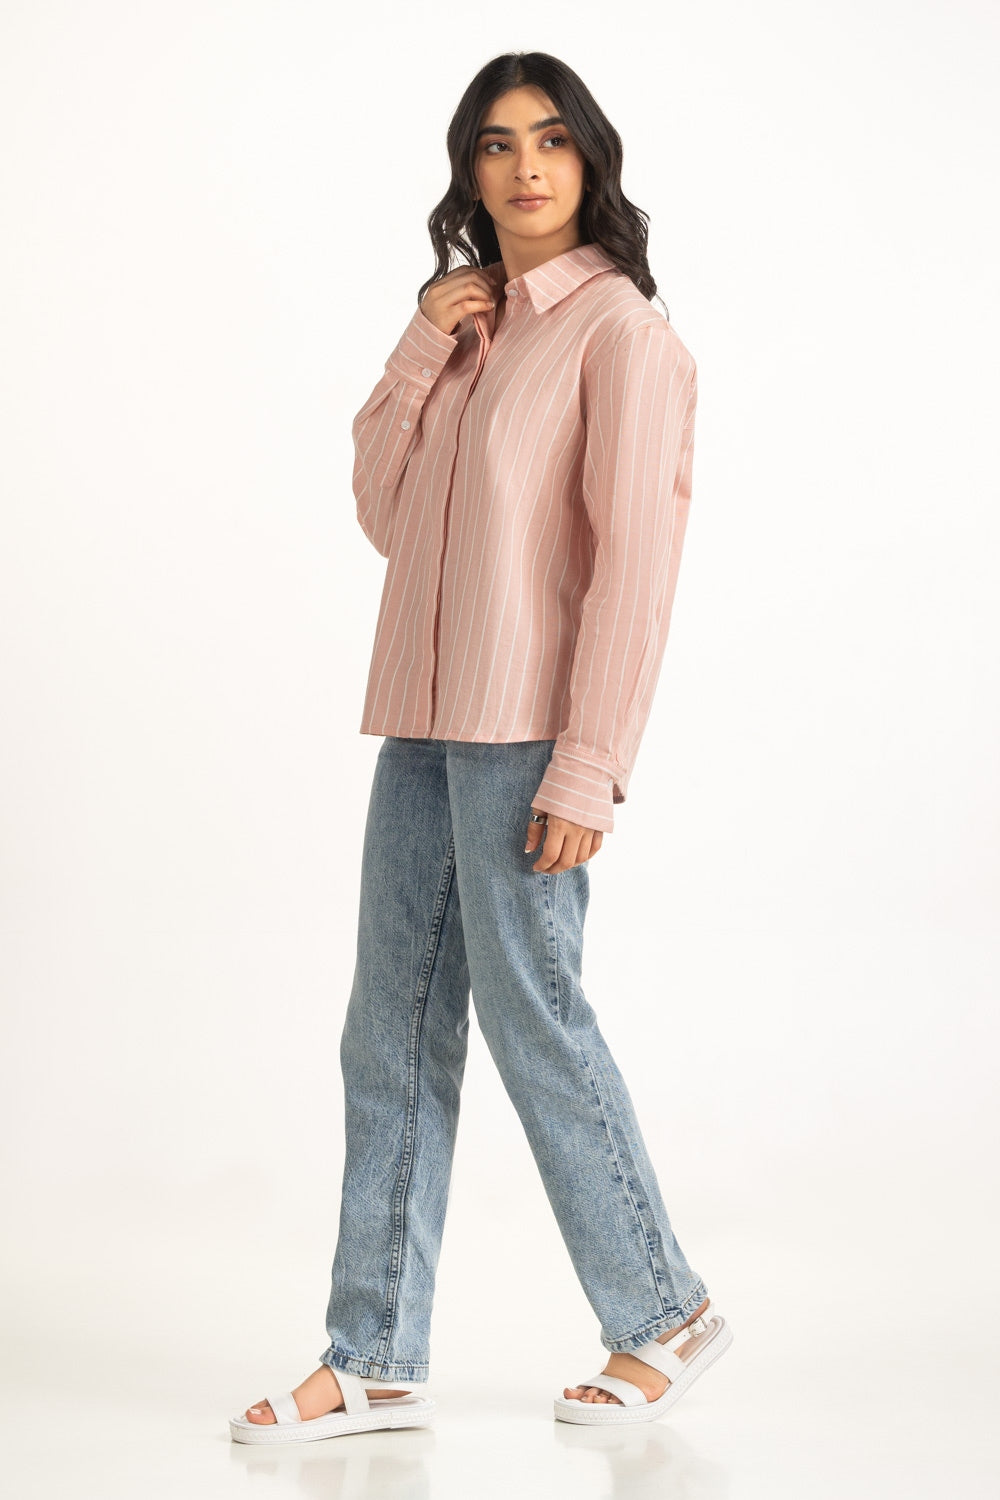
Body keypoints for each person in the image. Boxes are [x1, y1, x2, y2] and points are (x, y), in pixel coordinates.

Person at [230, 49, 732, 1445]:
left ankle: (664, 1310)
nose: (525, 166)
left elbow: (635, 571)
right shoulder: (469, 333)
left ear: (590, 161)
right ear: (469, 170)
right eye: (498, 144)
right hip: (424, 722)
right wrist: (419, 346)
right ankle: (375, 1353)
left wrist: (590, 763)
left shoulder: (621, 333)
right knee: (387, 1031)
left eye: (552, 140)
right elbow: (389, 519)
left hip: (528, 734)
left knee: (532, 1017)